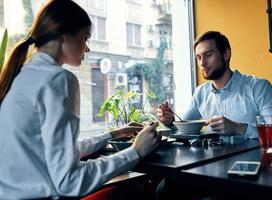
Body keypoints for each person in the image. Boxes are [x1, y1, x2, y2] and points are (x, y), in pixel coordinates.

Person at [0, 0, 161, 199]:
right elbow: (69, 181)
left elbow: (53, 152)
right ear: (64, 34)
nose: (87, 49)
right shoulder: (57, 79)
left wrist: (111, 134)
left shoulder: (21, 76)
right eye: (85, 38)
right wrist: (135, 151)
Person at [157, 31, 272, 140]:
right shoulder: (200, 93)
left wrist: (239, 129)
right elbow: (183, 129)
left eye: (208, 55)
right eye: (198, 57)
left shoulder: (259, 87)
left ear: (226, 54)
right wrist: (169, 121)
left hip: (254, 167)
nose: (202, 63)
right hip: (210, 166)